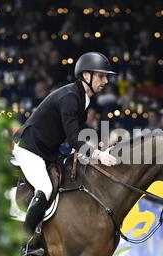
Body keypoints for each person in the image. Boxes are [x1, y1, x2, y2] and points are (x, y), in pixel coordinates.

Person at [12, 52, 118, 240]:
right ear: (87, 76)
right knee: (45, 188)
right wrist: (98, 155)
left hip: (48, 151)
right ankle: (24, 241)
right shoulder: (70, 97)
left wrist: (87, 151)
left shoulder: (82, 97)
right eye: (101, 76)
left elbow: (76, 133)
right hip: (30, 150)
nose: (106, 80)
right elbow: (74, 137)